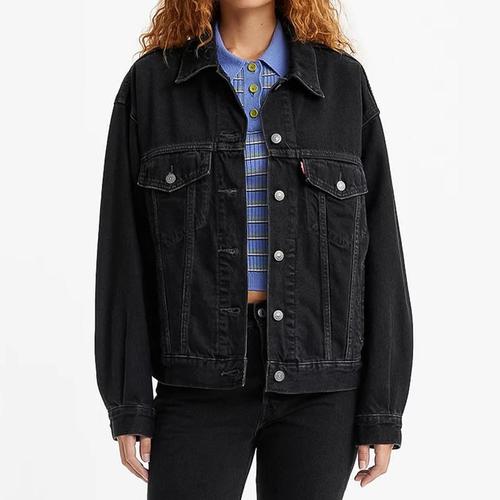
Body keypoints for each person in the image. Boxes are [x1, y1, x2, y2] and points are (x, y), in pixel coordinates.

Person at [94, 1, 413, 498]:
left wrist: (382, 408)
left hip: (320, 385)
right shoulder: (152, 85)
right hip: (198, 378)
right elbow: (123, 250)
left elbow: (382, 251)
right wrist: (128, 399)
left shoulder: (342, 83)